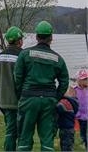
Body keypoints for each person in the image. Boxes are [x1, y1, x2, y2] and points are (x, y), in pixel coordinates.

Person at [14, 20, 69, 151]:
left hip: (28, 99)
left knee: (24, 137)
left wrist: (21, 94)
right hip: (48, 101)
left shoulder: (24, 54)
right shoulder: (58, 59)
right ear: (51, 38)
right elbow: (64, 82)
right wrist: (56, 97)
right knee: (47, 139)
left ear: (36, 36)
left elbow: (17, 78)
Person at [0, 26, 24, 151]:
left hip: (4, 99)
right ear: (19, 40)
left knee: (10, 130)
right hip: (19, 99)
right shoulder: (23, 55)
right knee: (22, 132)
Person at [56, 87, 79, 151]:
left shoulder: (66, 102)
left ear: (70, 94)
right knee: (66, 145)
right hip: (68, 128)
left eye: (65, 91)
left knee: (66, 147)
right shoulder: (72, 102)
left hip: (66, 129)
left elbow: (59, 107)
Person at [74, 69, 88, 149]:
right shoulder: (75, 90)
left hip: (86, 115)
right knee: (82, 132)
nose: (86, 81)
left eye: (87, 79)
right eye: (84, 79)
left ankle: (85, 144)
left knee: (85, 131)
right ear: (78, 80)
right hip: (79, 115)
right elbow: (73, 103)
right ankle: (84, 143)